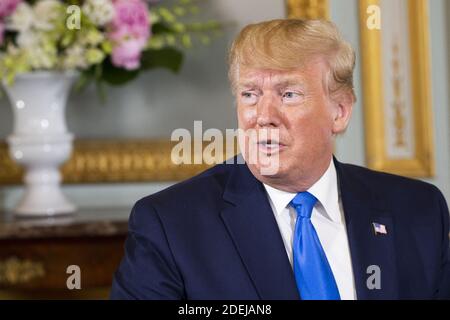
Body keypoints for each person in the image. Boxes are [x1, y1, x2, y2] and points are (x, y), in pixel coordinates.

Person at [110, 19, 450, 300]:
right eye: (250, 95)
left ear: (340, 111)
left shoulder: (419, 210)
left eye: (289, 94)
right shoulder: (170, 225)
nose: (264, 116)